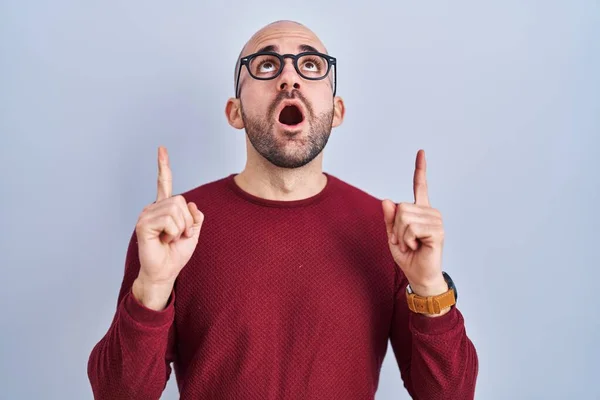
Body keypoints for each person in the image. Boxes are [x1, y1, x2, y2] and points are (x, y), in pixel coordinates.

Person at [87, 20, 478, 400]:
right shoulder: (176, 233)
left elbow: (450, 395)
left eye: (310, 65)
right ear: (235, 111)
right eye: (266, 65)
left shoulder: (387, 232)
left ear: (337, 110)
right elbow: (117, 394)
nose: (289, 78)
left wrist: (429, 287)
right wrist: (152, 287)